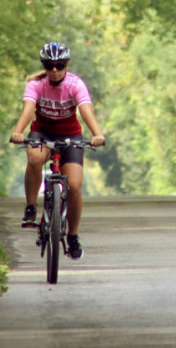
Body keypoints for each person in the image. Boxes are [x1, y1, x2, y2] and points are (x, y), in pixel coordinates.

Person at [9, 41, 105, 260]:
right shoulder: (36, 84)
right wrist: (18, 131)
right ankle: (31, 207)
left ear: (66, 64)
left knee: (74, 186)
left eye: (59, 65)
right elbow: (28, 110)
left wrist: (97, 134)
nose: (54, 70)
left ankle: (72, 235)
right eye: (49, 65)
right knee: (34, 158)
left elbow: (85, 110)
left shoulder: (75, 84)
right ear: (44, 65)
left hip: (70, 135)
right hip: (41, 133)